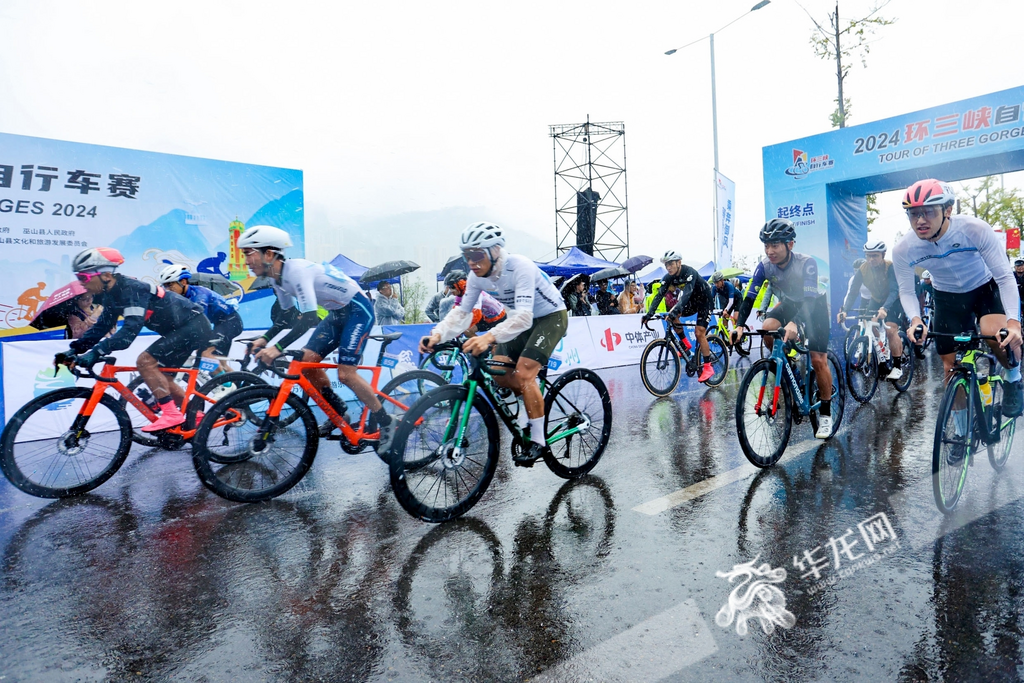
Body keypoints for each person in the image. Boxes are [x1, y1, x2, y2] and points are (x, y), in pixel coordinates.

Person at [421, 222, 567, 466]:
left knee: (524, 374)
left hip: (550, 317)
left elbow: (523, 317)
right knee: (499, 372)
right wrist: (437, 335)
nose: (471, 262)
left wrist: (488, 337)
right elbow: (461, 313)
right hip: (520, 320)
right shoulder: (476, 277)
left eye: (477, 255)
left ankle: (539, 441)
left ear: (496, 250)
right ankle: (528, 407)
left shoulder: (520, 266)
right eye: (466, 256)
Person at [239, 225, 395, 447]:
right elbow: (286, 317)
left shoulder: (296, 272)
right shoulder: (276, 278)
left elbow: (310, 318)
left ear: (270, 254)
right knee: (306, 363)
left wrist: (278, 348)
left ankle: (386, 420)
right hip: (337, 313)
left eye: (249, 254)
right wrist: (264, 339)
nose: (246, 261)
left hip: (358, 310)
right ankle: (339, 412)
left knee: (346, 375)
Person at [893, 178, 1022, 417]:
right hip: (948, 297)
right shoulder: (904, 248)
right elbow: (907, 291)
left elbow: (1004, 277)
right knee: (950, 367)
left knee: (996, 335)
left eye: (928, 212)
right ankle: (960, 434)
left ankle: (1014, 377)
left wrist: (1014, 323)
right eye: (913, 214)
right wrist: (915, 320)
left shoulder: (974, 229)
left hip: (984, 288)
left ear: (948, 210)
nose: (920, 220)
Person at [60, 247, 213, 432]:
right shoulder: (112, 295)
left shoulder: (132, 290)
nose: (81, 284)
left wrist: (97, 352)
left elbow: (128, 334)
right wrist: (75, 349)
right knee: (163, 377)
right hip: (181, 329)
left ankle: (172, 414)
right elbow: (101, 328)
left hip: (194, 326)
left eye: (83, 278)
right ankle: (195, 415)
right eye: (78, 278)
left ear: (106, 275)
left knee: (145, 361)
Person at [732, 219, 835, 439]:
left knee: (818, 359)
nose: (770, 251)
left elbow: (808, 301)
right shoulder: (764, 266)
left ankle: (826, 414)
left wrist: (795, 322)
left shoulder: (806, 263)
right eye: (766, 246)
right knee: (767, 327)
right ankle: (788, 370)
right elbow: (749, 297)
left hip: (813, 305)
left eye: (775, 245)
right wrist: (739, 325)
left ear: (790, 244)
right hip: (789, 303)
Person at [642, 251, 717, 383]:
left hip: (705, 301)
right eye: (666, 265)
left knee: (699, 332)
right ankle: (686, 345)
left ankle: (708, 366)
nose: (668, 267)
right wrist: (649, 314)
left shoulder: (690, 273)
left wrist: (675, 310)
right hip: (692, 302)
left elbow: (686, 294)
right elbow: (659, 296)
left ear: (679, 263)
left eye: (671, 264)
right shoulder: (668, 277)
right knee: (672, 316)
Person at [158, 264, 244, 375]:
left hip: (231, 323)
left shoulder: (199, 295)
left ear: (183, 282)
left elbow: (200, 322)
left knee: (205, 355)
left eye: (170, 285)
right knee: (220, 365)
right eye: (165, 286)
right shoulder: (181, 297)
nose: (168, 289)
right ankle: (238, 388)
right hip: (220, 325)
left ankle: (226, 386)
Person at [836, 241, 905, 380]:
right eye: (868, 256)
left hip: (894, 300)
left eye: (875, 256)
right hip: (876, 299)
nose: (871, 259)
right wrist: (845, 310)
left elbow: (893, 290)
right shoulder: (863, 269)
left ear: (883, 255)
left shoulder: (890, 266)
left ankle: (897, 367)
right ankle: (882, 352)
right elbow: (853, 292)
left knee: (890, 330)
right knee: (868, 324)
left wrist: (885, 308)